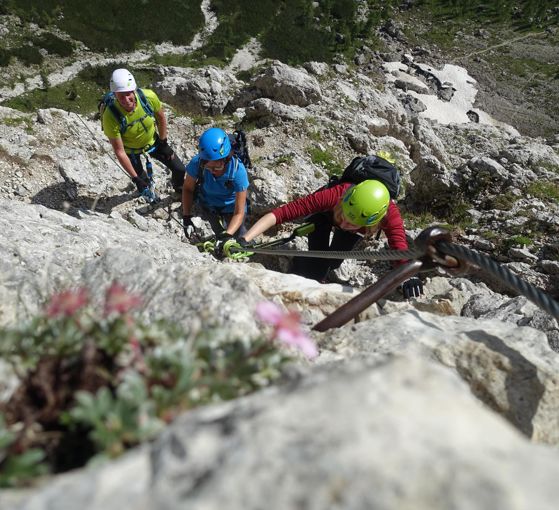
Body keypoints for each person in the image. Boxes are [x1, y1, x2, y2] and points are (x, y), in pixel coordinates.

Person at [239, 179, 423, 298]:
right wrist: (245, 239)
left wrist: (407, 277)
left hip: (356, 228)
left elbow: (399, 247)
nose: (344, 224)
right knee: (317, 264)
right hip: (324, 217)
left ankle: (317, 268)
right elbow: (281, 214)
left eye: (351, 222)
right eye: (343, 216)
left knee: (333, 263)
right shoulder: (335, 195)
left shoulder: (389, 215)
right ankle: (302, 267)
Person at [102, 68, 185, 197]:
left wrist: (163, 143)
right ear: (115, 95)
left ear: (134, 90)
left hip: (154, 142)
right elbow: (119, 151)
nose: (126, 99)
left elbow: (161, 118)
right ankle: (148, 195)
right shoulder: (110, 115)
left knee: (179, 169)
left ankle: (179, 189)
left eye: (128, 93)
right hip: (131, 152)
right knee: (143, 184)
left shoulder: (148, 97)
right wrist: (136, 178)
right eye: (120, 95)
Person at [182, 127, 250, 247]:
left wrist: (227, 235)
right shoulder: (197, 163)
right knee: (216, 234)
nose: (213, 171)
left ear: (226, 159)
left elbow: (239, 212)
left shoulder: (238, 171)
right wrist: (186, 217)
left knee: (241, 239)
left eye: (217, 167)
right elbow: (187, 189)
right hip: (209, 205)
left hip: (232, 208)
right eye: (208, 168)